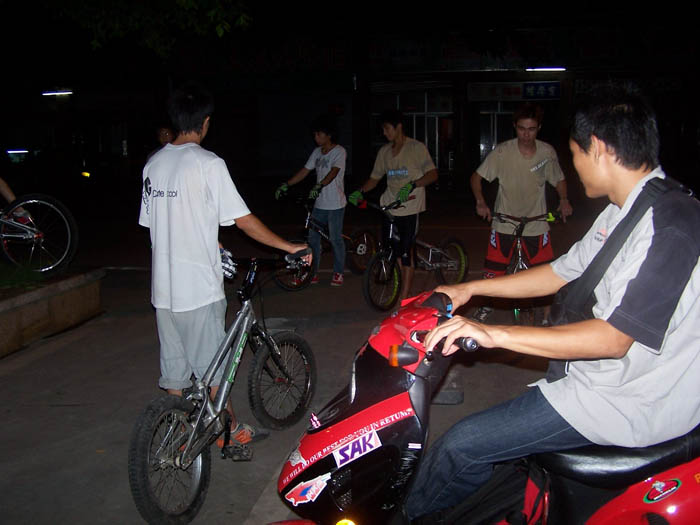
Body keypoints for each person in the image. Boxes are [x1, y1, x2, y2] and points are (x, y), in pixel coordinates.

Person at [404, 85, 700, 521]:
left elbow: (614, 338)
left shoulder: (670, 223)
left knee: (461, 446)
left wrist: (492, 333)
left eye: (575, 154)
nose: (573, 166)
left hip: (630, 400)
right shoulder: (626, 209)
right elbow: (561, 271)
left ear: (598, 148)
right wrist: (470, 289)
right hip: (602, 382)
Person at [139, 83, 310, 447]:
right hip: (198, 290)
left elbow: (160, 224)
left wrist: (212, 242)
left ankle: (176, 428)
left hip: (164, 291)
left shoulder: (154, 164)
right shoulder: (208, 164)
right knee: (215, 372)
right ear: (205, 122)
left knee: (175, 373)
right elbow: (243, 220)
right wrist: (288, 246)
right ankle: (227, 434)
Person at [470, 103, 573, 322]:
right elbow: (476, 178)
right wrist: (481, 202)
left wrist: (564, 200)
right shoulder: (502, 152)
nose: (526, 134)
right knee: (493, 271)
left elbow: (559, 180)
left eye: (532, 129)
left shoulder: (547, 152)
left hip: (536, 223)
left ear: (539, 128)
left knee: (544, 273)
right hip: (504, 222)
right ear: (515, 127)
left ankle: (547, 315)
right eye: (522, 129)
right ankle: (486, 306)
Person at [348, 109, 438, 304]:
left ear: (399, 127)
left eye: (387, 128)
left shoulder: (416, 148)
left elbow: (433, 175)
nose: (384, 133)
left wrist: (413, 185)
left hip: (410, 206)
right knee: (392, 249)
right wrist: (360, 191)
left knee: (406, 253)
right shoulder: (384, 152)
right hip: (389, 206)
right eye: (383, 129)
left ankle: (404, 299)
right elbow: (375, 178)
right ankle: (400, 286)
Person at [275, 115, 347, 286]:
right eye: (314, 134)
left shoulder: (339, 151)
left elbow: (334, 172)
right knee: (313, 239)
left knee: (335, 239)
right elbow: (304, 171)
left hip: (335, 204)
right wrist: (287, 184)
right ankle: (312, 272)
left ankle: (338, 272)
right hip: (320, 204)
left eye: (318, 134)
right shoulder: (317, 152)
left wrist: (320, 185)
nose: (315, 137)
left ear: (329, 135)